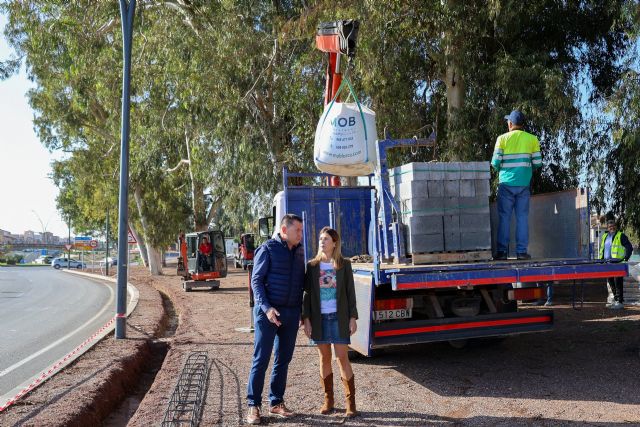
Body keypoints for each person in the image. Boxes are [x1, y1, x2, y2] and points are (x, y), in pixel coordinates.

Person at [246, 214, 305, 425]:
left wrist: (302, 313)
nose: (301, 233)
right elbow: (257, 281)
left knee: (283, 360)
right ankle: (253, 405)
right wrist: (267, 308)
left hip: (290, 313)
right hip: (267, 314)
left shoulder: (299, 251)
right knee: (261, 359)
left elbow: (301, 283)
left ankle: (276, 402)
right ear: (283, 230)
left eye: (301, 230)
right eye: (297, 230)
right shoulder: (268, 248)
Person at [302, 227, 359, 417]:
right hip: (319, 320)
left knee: (342, 358)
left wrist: (353, 317)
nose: (322, 241)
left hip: (339, 318)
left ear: (334, 243)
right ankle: (329, 401)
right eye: (320, 238)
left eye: (326, 239)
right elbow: (307, 295)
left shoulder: (344, 264)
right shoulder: (312, 266)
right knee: (324, 358)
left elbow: (350, 293)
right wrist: (306, 319)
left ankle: (350, 403)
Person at [491, 110, 542, 260]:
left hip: (506, 184)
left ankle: (502, 252)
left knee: (505, 218)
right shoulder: (532, 139)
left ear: (511, 124)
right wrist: (526, 171)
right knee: (522, 218)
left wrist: (505, 169)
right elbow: (538, 163)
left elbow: (495, 163)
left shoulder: (502, 139)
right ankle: (521, 252)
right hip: (523, 184)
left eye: (508, 121)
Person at [598, 219, 633, 310]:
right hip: (607, 264)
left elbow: (629, 247)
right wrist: (601, 261)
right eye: (610, 226)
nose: (611, 227)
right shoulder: (605, 236)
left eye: (613, 226)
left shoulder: (620, 235)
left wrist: (625, 258)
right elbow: (602, 249)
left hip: (618, 264)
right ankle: (616, 300)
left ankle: (620, 302)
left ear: (615, 226)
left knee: (618, 283)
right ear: (607, 228)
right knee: (611, 282)